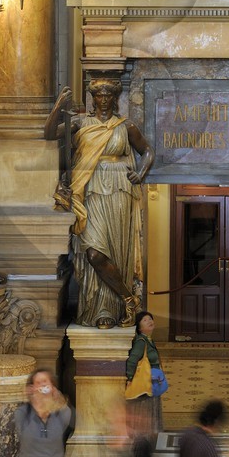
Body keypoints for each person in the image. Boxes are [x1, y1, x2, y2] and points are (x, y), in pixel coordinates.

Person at [46, 78, 154, 327]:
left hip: (119, 192)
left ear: (114, 99)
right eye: (99, 96)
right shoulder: (81, 123)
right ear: (93, 99)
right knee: (94, 253)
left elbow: (148, 151)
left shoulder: (125, 126)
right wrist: (58, 107)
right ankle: (126, 299)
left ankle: (109, 310)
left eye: (108, 96)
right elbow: (50, 134)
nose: (103, 100)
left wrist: (141, 173)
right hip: (90, 189)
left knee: (116, 251)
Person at [124, 310, 165, 435]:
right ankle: (143, 438)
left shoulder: (149, 340)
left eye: (150, 319)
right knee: (144, 414)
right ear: (139, 327)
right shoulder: (141, 341)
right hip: (145, 385)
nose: (149, 321)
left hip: (152, 383)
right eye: (145, 320)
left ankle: (150, 437)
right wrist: (129, 378)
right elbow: (133, 360)